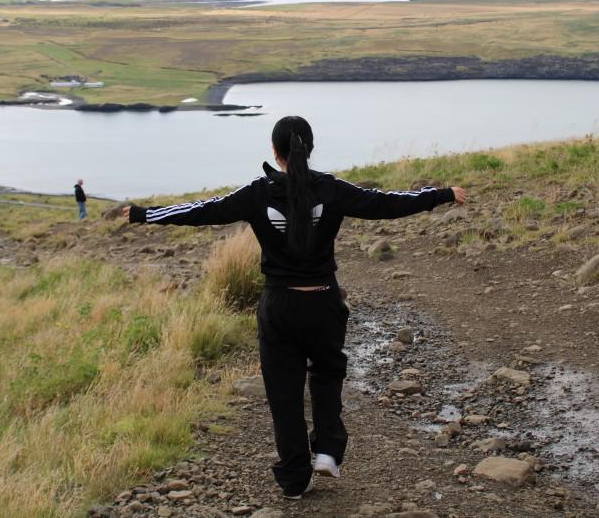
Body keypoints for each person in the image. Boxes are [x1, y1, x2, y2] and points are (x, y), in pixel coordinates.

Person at [122, 116, 465, 499]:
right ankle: (328, 452)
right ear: (311, 148)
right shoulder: (332, 190)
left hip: (279, 306)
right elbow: (386, 203)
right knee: (327, 375)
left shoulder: (256, 194)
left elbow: (202, 210)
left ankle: (293, 481)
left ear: (274, 151)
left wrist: (143, 214)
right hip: (323, 300)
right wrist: (442, 194)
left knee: (283, 393)